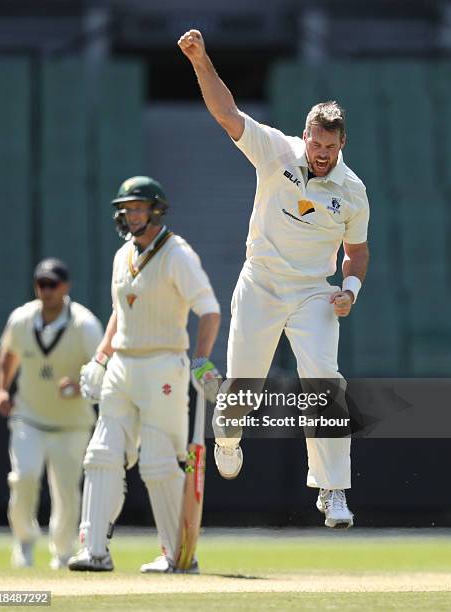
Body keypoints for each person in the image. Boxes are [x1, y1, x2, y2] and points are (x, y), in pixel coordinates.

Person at [178, 30, 370, 528]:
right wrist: (201, 61)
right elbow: (227, 115)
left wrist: (349, 290)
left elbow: (357, 251)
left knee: (325, 381)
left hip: (314, 293)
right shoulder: (277, 152)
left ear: (341, 143)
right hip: (261, 281)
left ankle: (332, 490)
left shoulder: (352, 191)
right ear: (305, 136)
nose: (322, 153)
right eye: (316, 143)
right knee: (244, 386)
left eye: (331, 145)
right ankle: (227, 439)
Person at [68, 176, 221, 573]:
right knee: (100, 455)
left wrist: (202, 360)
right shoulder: (124, 255)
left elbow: (209, 309)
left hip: (164, 366)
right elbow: (121, 311)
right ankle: (94, 550)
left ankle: (177, 555)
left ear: (156, 211)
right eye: (126, 209)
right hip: (122, 365)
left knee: (157, 461)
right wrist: (100, 358)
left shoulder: (177, 254)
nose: (130, 215)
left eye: (137, 208)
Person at [0, 258, 104, 568]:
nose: (46, 290)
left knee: (67, 491)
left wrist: (80, 386)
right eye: (41, 284)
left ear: (65, 287)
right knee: (24, 478)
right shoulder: (22, 318)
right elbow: (8, 352)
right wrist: (2, 389)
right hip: (28, 417)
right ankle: (25, 541)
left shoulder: (85, 324)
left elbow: (101, 369)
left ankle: (63, 551)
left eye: (52, 284)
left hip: (72, 424)